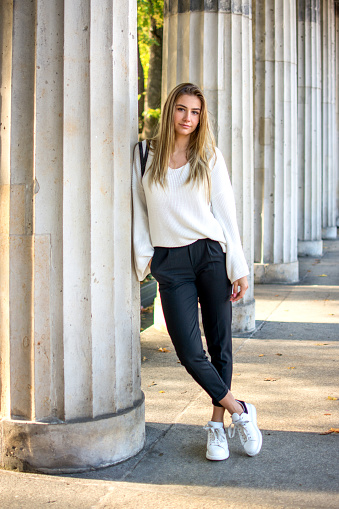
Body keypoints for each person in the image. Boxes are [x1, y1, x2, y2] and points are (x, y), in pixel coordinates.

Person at [132, 83, 262, 461]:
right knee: (189, 350)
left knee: (220, 342)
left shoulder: (208, 155)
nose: (189, 119)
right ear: (170, 109)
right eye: (182, 110)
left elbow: (226, 213)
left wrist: (239, 268)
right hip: (170, 263)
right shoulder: (143, 154)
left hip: (209, 255)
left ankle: (217, 424)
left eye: (196, 112)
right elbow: (139, 212)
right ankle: (242, 410)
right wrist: (147, 260)